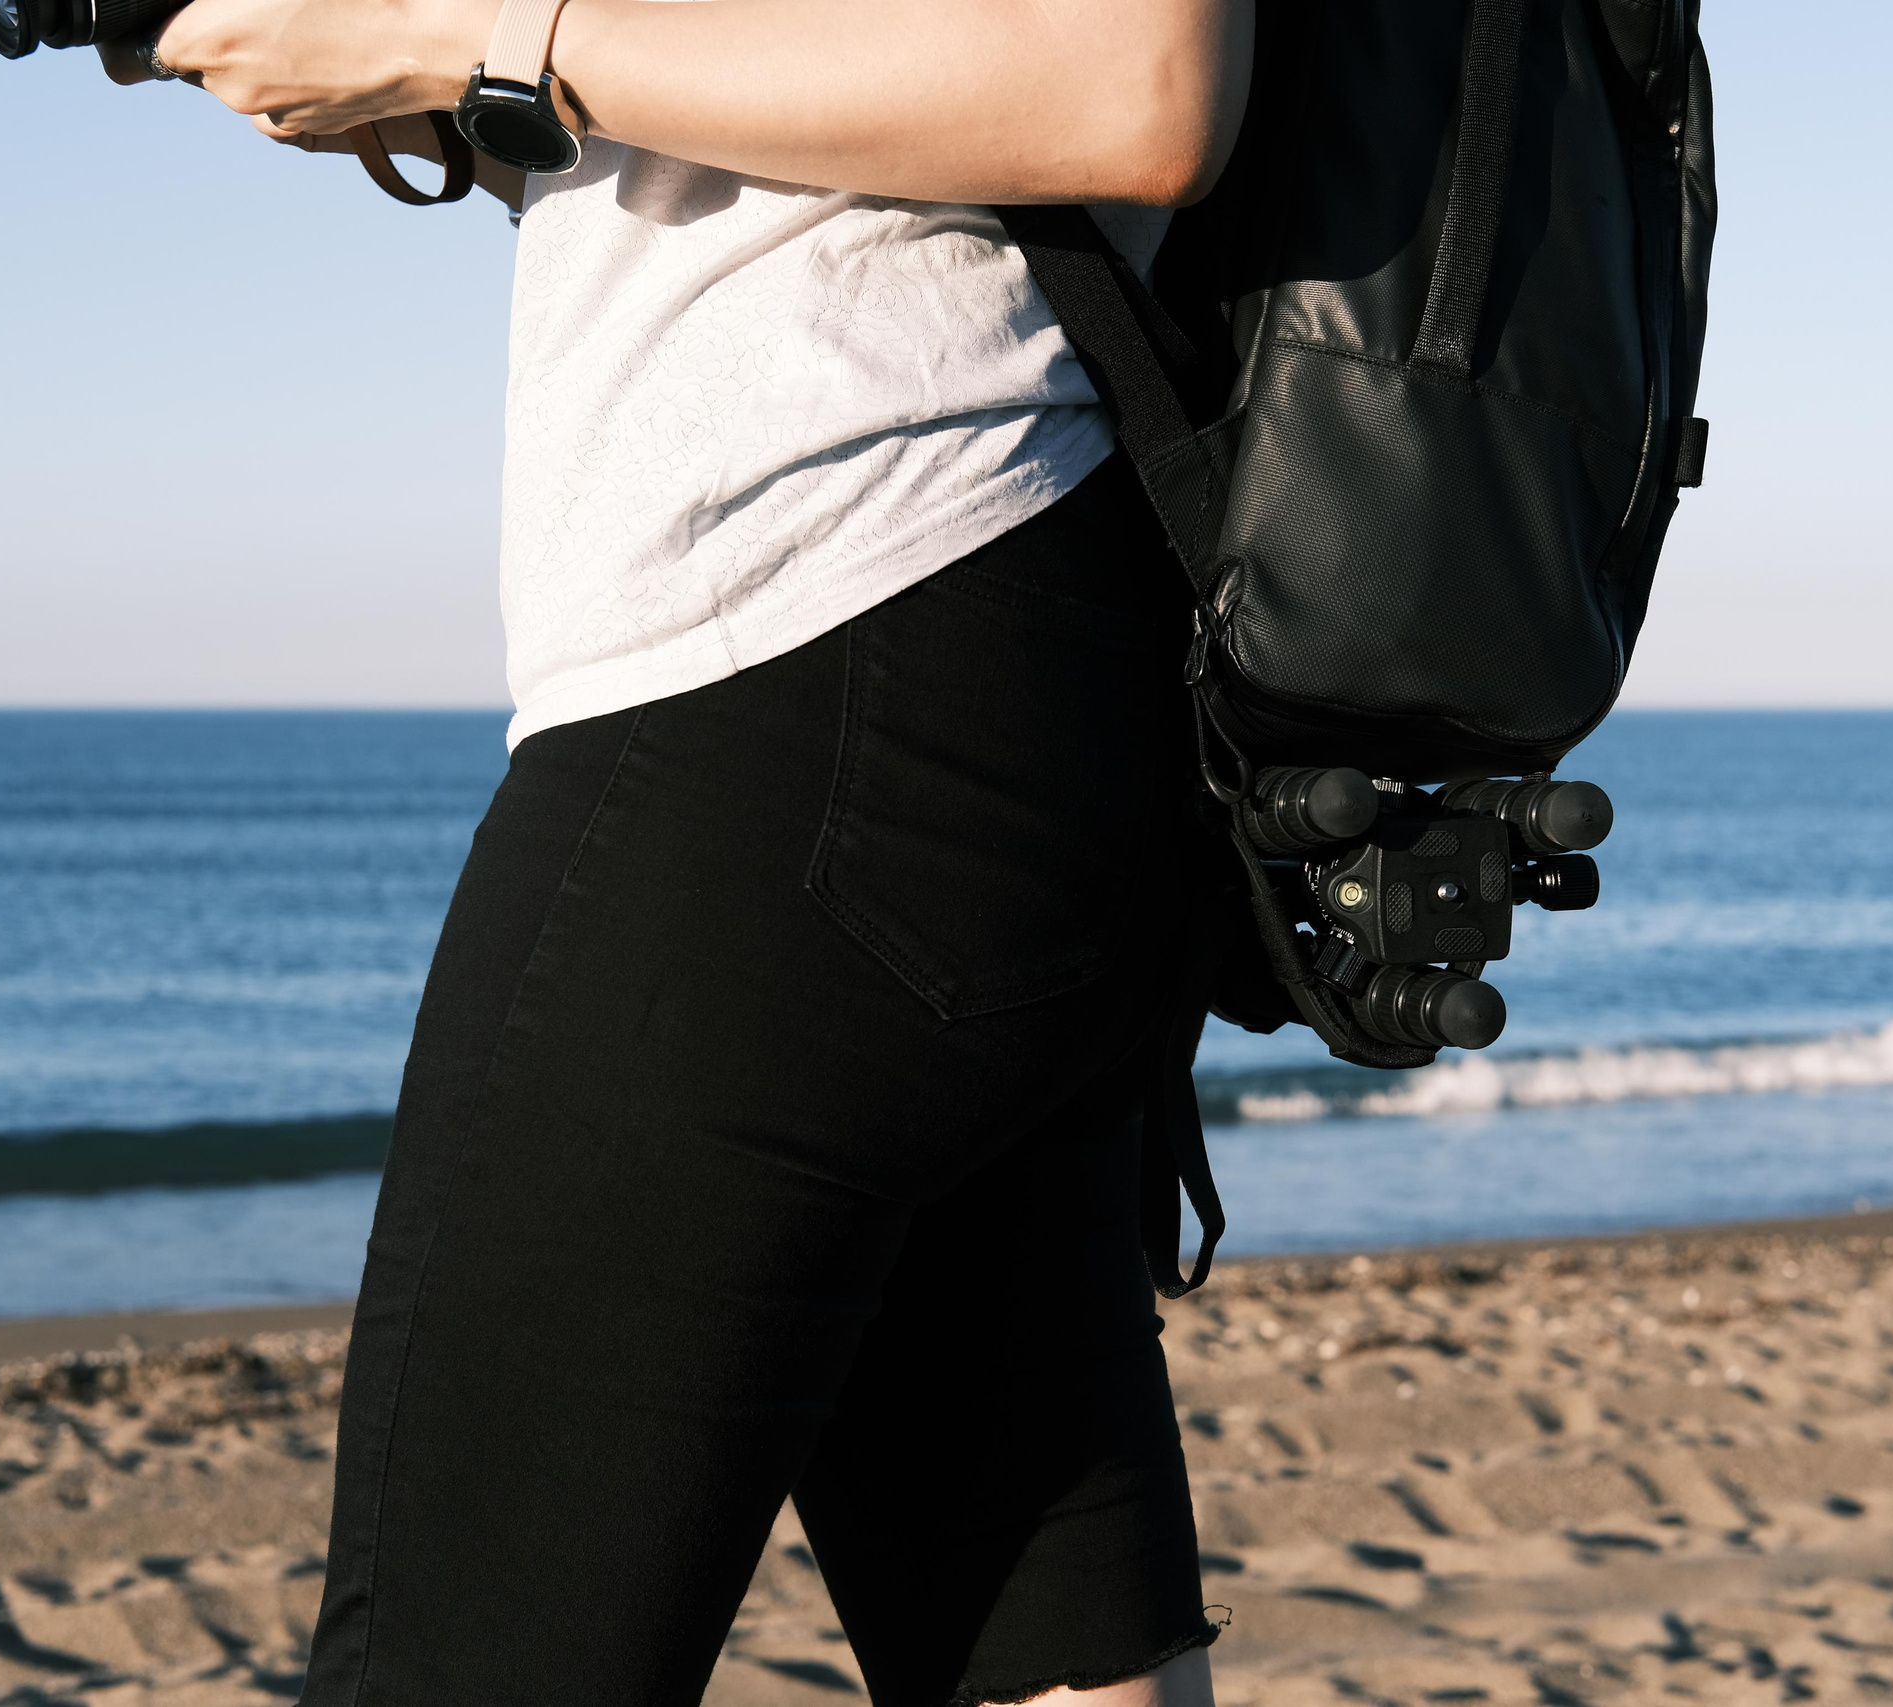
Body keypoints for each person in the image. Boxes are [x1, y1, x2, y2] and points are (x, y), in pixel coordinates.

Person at [143, 1, 1253, 1700]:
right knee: (1052, 1649)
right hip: (1008, 671)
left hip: (805, 640)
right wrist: (424, 78)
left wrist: (460, 39)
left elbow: (1134, 82)